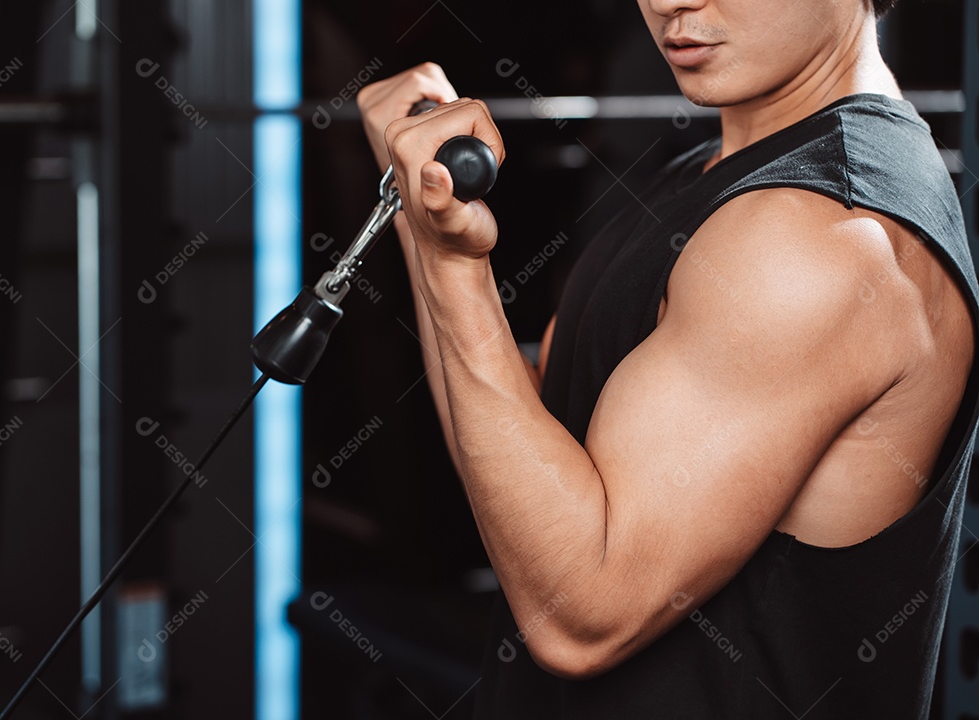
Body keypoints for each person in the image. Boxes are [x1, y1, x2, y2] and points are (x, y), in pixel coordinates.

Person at [357, 0, 978, 716]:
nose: (667, 1)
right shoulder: (712, 176)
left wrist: (449, 264)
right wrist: (420, 215)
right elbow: (524, 461)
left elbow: (580, 616)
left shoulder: (818, 238)